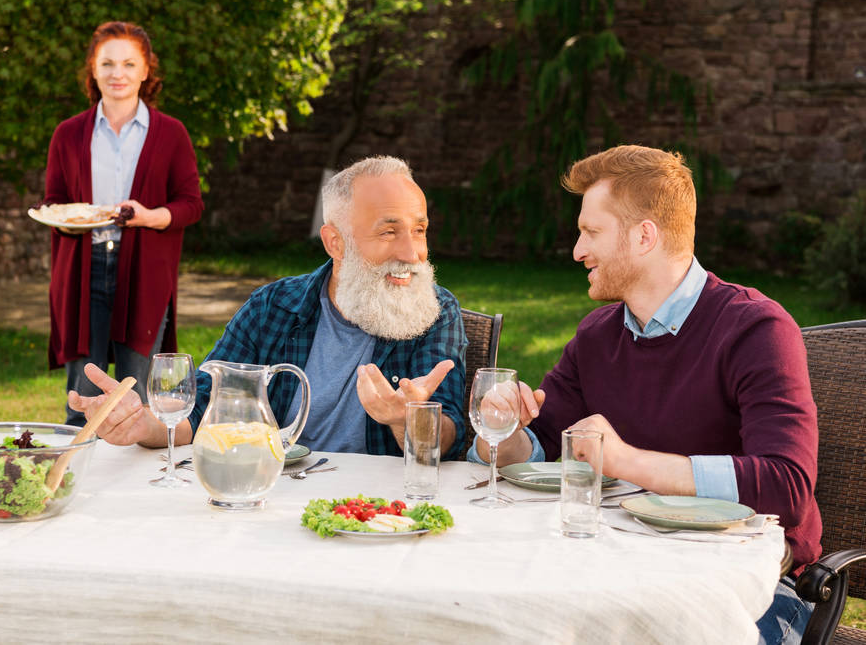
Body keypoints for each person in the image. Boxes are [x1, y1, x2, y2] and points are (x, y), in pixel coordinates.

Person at [470, 145, 820, 644]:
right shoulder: (597, 335)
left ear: (644, 236)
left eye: (591, 232)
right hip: (621, 573)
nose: (576, 251)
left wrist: (627, 461)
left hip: (747, 589)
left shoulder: (756, 329)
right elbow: (542, 446)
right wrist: (502, 429)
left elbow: (786, 486)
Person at [72, 156, 468, 457]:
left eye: (419, 230)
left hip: (376, 513)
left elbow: (447, 440)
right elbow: (204, 408)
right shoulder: (272, 307)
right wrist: (145, 423)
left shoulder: (434, 311)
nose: (413, 253)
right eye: (388, 231)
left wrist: (408, 420)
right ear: (335, 242)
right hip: (269, 496)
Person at [43, 21, 204, 426]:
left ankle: (142, 477)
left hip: (145, 271)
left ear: (146, 71)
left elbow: (190, 205)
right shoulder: (67, 134)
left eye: (129, 64)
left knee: (142, 391)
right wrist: (69, 221)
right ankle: (76, 476)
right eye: (108, 63)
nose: (118, 74)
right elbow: (53, 204)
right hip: (82, 270)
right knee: (84, 392)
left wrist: (150, 217)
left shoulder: (171, 134)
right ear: (93, 69)